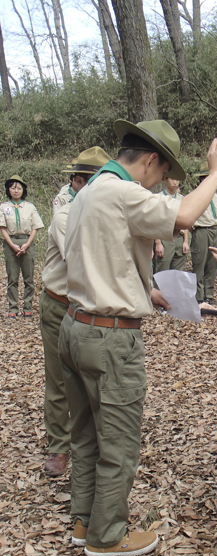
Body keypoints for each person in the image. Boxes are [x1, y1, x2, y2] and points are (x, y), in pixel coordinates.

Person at [58, 119, 217, 556]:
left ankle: (84, 521)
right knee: (118, 442)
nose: (161, 184)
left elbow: (103, 254)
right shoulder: (123, 191)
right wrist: (215, 173)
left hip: (75, 325)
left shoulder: (89, 191)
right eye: (164, 174)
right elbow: (185, 216)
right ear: (151, 160)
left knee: (85, 435)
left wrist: (144, 288)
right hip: (110, 340)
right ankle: (107, 537)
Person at [40, 147, 111, 478]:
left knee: (94, 377)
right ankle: (59, 444)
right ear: (80, 184)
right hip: (60, 305)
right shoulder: (65, 216)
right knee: (59, 379)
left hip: (93, 308)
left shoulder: (105, 214)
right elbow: (85, 260)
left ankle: (93, 439)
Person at [0, 175, 44, 317]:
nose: (16, 190)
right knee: (12, 278)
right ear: (8, 190)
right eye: (13, 188)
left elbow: (35, 227)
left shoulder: (30, 207)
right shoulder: (3, 207)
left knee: (28, 278)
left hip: (27, 243)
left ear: (23, 190)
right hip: (10, 243)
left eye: (19, 188)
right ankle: (13, 308)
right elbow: (3, 228)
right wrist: (12, 245)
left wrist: (26, 245)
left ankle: (27, 307)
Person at [191, 162, 217, 302]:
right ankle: (198, 296)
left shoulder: (216, 196)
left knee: (212, 264)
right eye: (204, 178)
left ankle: (209, 294)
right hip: (201, 230)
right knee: (199, 263)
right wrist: (197, 231)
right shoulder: (195, 195)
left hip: (215, 230)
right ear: (201, 179)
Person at [154, 176, 189, 273]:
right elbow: (155, 222)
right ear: (165, 179)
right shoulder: (158, 198)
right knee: (162, 272)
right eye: (172, 179)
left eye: (177, 179)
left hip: (179, 238)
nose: (175, 182)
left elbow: (184, 221)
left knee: (178, 273)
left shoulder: (182, 199)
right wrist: (158, 243)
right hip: (165, 238)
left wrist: (185, 241)